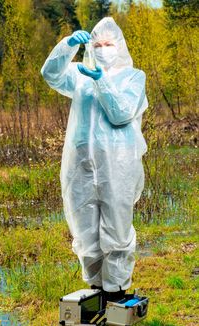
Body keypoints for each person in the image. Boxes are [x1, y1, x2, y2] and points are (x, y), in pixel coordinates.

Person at [41, 17, 148, 304]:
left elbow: (121, 113)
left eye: (108, 43)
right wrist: (66, 46)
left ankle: (116, 293)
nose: (102, 49)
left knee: (116, 231)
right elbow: (50, 74)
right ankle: (97, 293)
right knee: (85, 232)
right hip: (80, 168)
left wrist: (102, 82)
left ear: (119, 45)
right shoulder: (80, 74)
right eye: (97, 44)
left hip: (118, 168)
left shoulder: (133, 77)